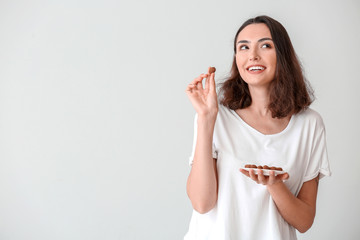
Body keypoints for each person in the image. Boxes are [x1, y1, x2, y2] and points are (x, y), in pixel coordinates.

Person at [184, 15, 331, 240]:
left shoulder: (309, 124)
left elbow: (304, 221)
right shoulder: (216, 117)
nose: (252, 55)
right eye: (243, 47)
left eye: (265, 45)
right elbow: (202, 203)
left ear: (282, 55)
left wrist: (275, 185)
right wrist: (206, 118)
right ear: (236, 59)